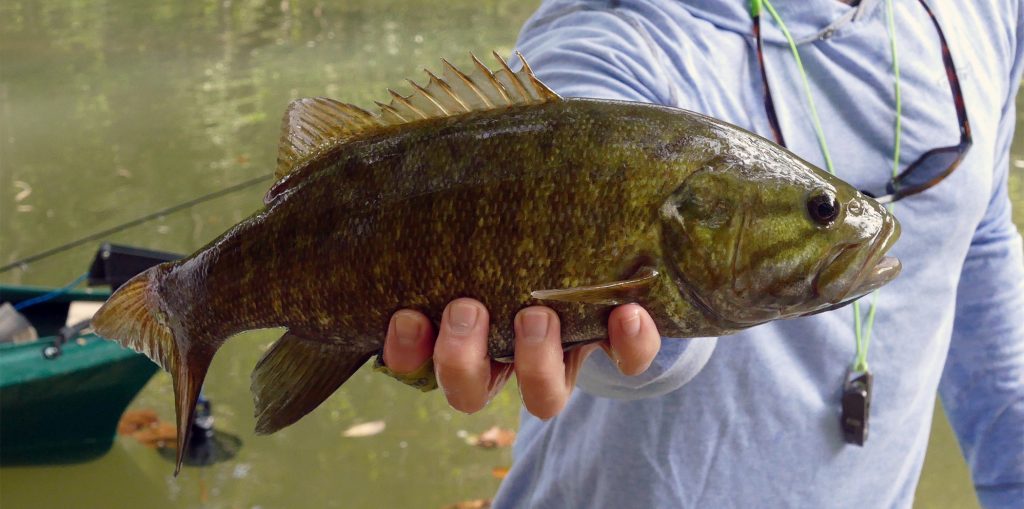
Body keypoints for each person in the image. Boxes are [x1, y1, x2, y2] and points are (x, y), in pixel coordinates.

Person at [380, 0, 1024, 507]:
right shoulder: (614, 34)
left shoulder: (988, 12)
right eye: (821, 213)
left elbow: (982, 248)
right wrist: (626, 342)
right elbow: (608, 349)